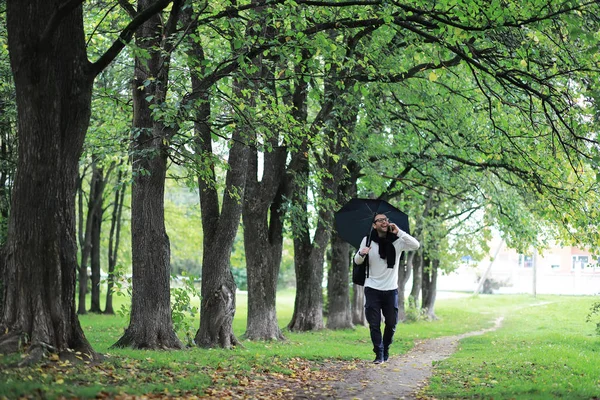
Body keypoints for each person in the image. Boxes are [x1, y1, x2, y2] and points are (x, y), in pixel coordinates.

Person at [354, 213, 420, 364]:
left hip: (391, 290)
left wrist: (400, 232)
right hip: (372, 288)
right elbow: (357, 261)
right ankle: (379, 353)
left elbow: (416, 245)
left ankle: (386, 347)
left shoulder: (398, 241)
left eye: (386, 219)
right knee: (374, 323)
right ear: (374, 225)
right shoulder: (368, 240)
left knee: (391, 323)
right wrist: (361, 253)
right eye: (380, 220)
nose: (384, 222)